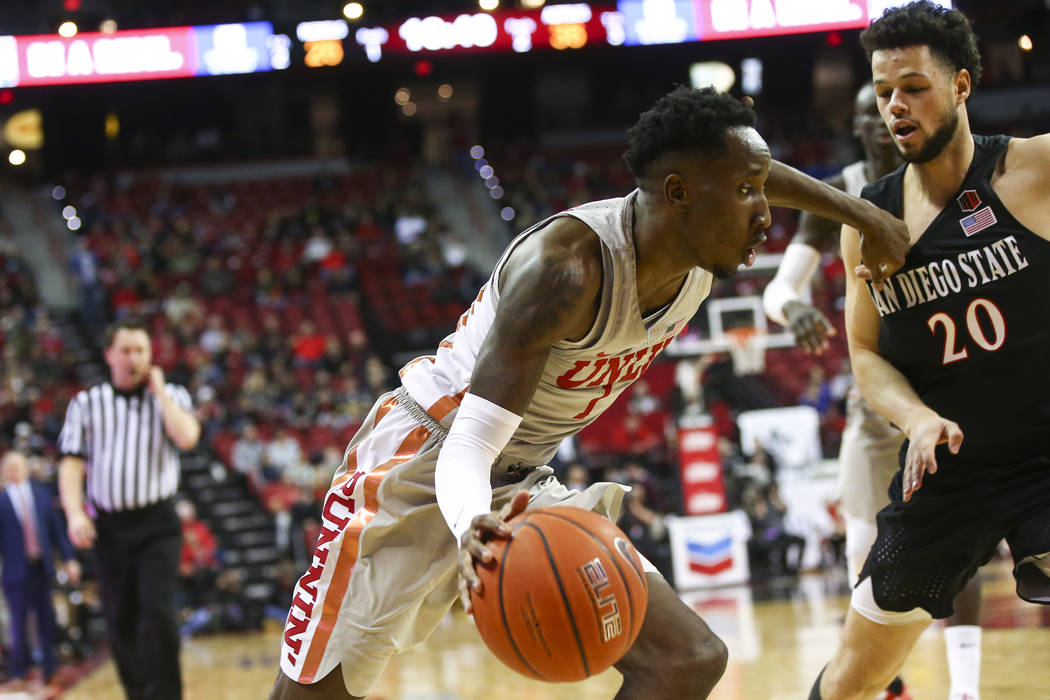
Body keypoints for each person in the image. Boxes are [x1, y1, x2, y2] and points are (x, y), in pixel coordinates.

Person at [270, 86, 909, 700]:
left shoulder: (699, 250)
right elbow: (468, 446)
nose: (766, 214)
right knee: (311, 696)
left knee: (687, 661)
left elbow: (760, 169)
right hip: (424, 459)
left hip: (519, 477)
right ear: (680, 193)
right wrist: (472, 526)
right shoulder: (565, 270)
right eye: (746, 194)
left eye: (760, 190)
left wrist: (865, 214)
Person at [809, 3, 1050, 700]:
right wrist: (915, 418)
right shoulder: (869, 223)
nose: (895, 107)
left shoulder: (1033, 170)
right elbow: (864, 353)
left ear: (963, 86)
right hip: (947, 475)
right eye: (885, 92)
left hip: (1043, 456)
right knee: (853, 675)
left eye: (914, 87)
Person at [764, 79, 983, 698]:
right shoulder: (838, 190)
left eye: (884, 106)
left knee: (962, 538)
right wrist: (794, 310)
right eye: (863, 112)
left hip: (952, 379)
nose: (875, 120)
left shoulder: (954, 176)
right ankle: (889, 682)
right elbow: (779, 289)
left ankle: (964, 688)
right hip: (877, 391)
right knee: (865, 543)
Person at [57, 318, 201, 700]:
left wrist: (161, 395)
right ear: (109, 355)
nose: (133, 357)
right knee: (120, 619)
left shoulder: (173, 395)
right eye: (125, 350)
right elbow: (71, 464)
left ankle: (169, 695)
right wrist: (75, 513)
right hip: (110, 525)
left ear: (151, 356)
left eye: (140, 350)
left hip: (158, 523)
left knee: (159, 613)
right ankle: (138, 694)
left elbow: (187, 437)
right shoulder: (87, 404)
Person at [0, 450, 80, 693]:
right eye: (9, 467)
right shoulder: (1, 500)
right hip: (14, 571)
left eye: (18, 466)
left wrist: (69, 559)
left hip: (41, 567)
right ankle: (19, 671)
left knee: (47, 619)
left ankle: (50, 669)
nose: (14, 471)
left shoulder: (41, 494)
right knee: (18, 623)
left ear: (26, 468)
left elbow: (56, 530)